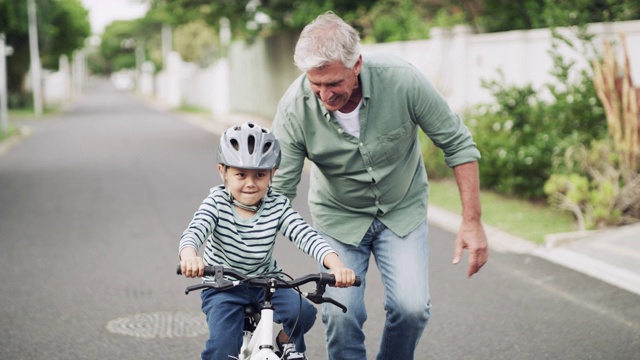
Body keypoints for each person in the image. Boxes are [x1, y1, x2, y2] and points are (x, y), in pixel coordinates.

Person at [270, 12, 489, 360]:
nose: (324, 94)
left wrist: (472, 220)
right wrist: (251, 247)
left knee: (412, 308)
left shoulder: (402, 80)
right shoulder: (295, 107)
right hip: (338, 219)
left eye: (334, 83)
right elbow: (279, 189)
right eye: (316, 83)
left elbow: (458, 144)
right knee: (341, 314)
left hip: (401, 209)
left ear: (356, 64)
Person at [178, 121, 357, 360]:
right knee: (221, 349)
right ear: (223, 172)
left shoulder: (277, 205)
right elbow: (194, 231)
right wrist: (190, 256)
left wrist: (336, 266)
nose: (250, 183)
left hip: (267, 283)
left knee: (303, 314)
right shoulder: (216, 203)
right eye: (241, 174)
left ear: (272, 173)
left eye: (260, 175)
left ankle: (285, 342)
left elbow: (306, 235)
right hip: (222, 286)